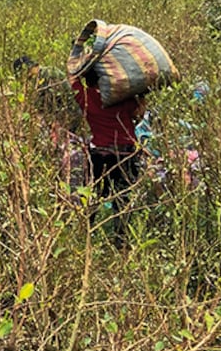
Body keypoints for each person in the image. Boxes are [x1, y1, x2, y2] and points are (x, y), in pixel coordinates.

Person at [73, 67, 145, 247]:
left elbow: (72, 77)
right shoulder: (121, 97)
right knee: (122, 197)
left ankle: (86, 236)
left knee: (92, 196)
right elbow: (139, 114)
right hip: (124, 153)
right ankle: (121, 240)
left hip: (98, 154)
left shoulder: (85, 97)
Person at [14, 56, 87, 192]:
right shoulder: (50, 71)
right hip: (72, 116)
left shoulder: (43, 78)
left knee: (63, 154)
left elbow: (41, 108)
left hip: (65, 119)